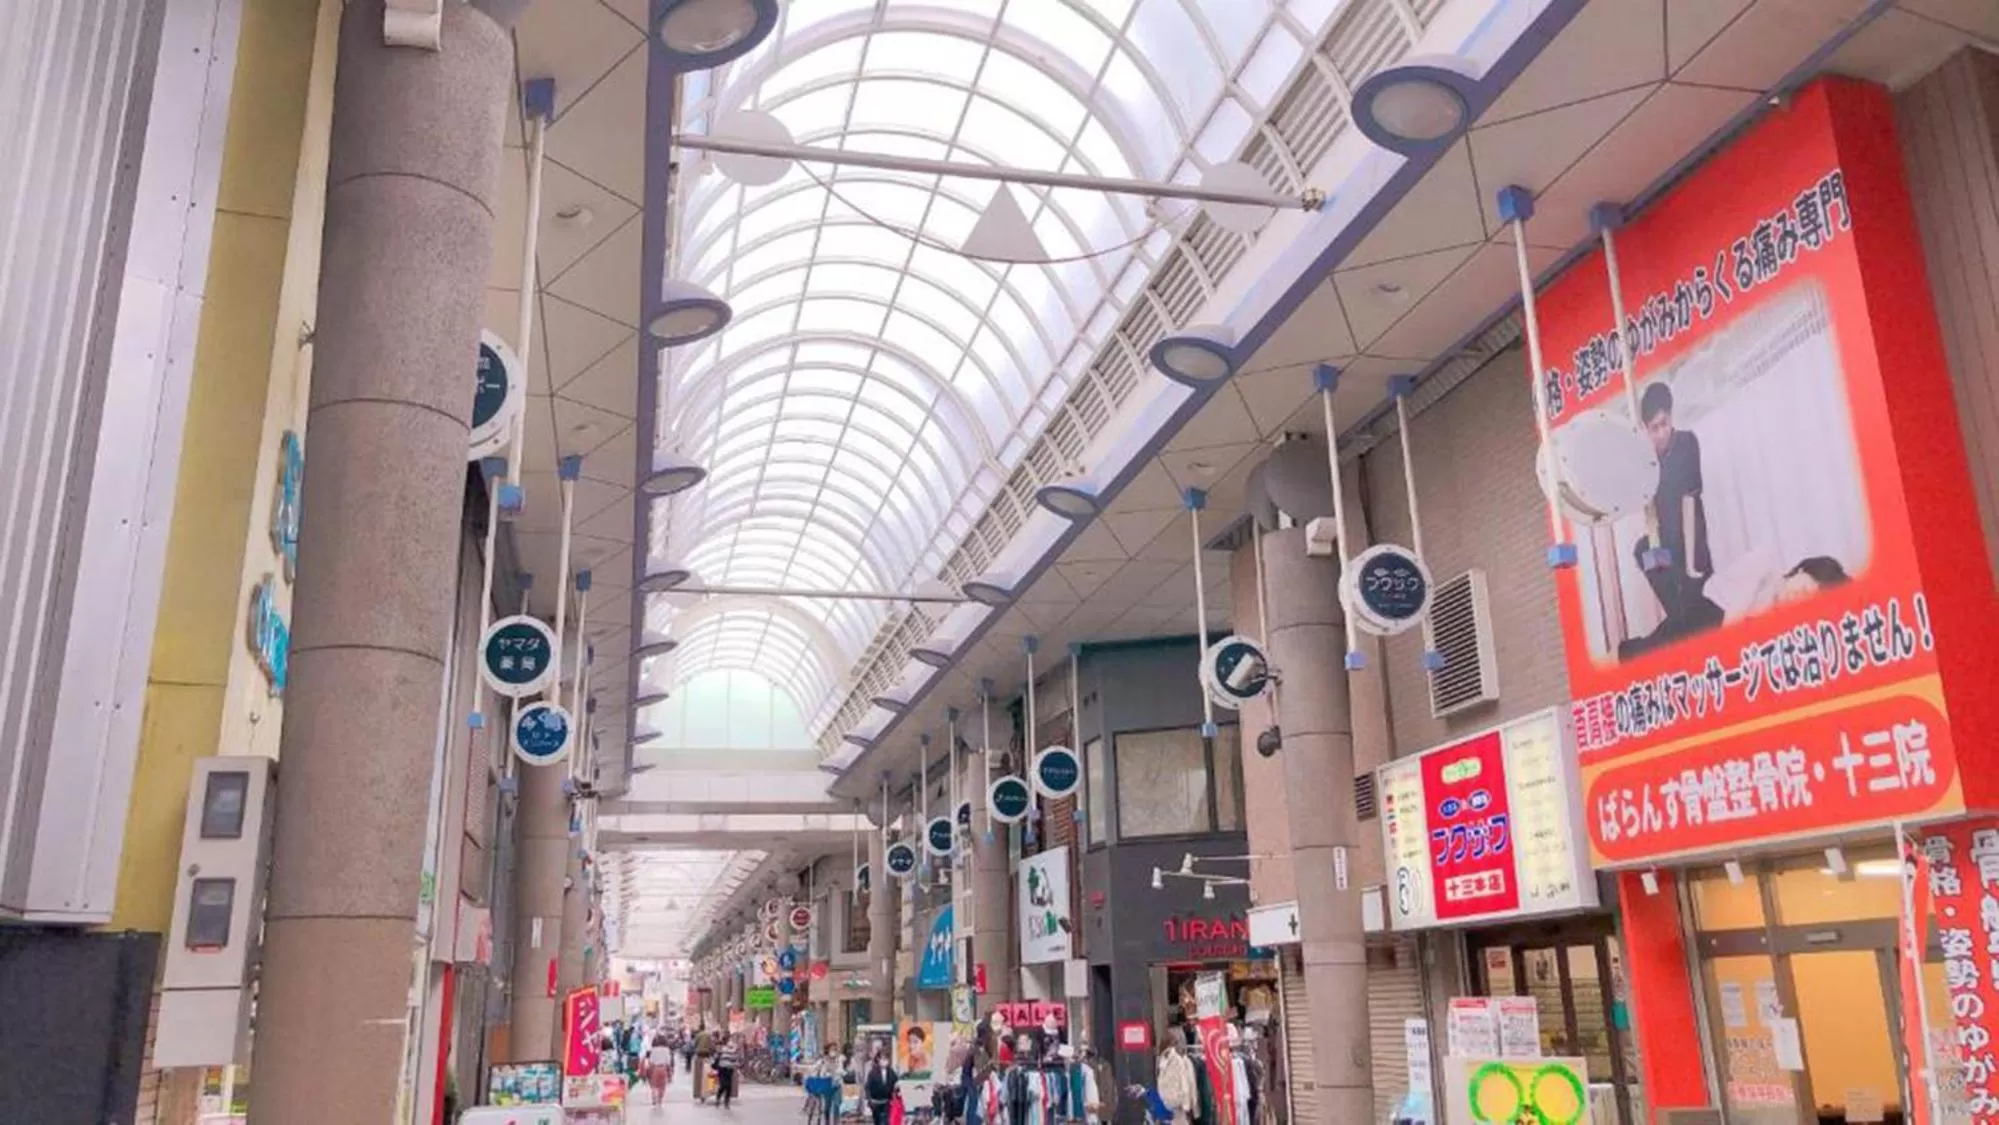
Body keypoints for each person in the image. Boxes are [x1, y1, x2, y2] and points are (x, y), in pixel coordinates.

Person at [1629, 382, 1719, 636]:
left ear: (1671, 416)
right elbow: (1649, 511)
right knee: (1642, 549)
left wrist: (1690, 563)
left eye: (1663, 424)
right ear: (1646, 429)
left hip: (1691, 537)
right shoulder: (1647, 461)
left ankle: (1686, 622)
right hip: (1665, 540)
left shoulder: (1687, 443)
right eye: (1653, 428)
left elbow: (1689, 502)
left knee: (1699, 601)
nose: (1661, 433)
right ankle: (1678, 618)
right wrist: (1657, 549)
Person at [864, 1048, 900, 1125]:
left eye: (886, 1059)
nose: (884, 1061)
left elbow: (896, 1083)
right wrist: (870, 1100)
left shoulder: (891, 1071)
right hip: (875, 1102)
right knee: (877, 1122)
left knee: (886, 1121)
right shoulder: (873, 1072)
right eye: (883, 1059)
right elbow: (867, 1087)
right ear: (878, 1059)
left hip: (887, 1102)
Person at [649, 1029, 676, 1106]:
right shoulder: (666, 1050)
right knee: (662, 1086)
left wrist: (650, 1071)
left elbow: (651, 1062)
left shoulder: (654, 1050)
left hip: (655, 1068)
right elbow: (668, 1062)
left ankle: (654, 1097)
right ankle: (660, 1099)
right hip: (663, 1069)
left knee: (654, 1085)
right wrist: (670, 1073)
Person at [715, 1033, 742, 1109]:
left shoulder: (732, 1047)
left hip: (729, 1068)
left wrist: (737, 1065)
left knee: (728, 1086)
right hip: (722, 1068)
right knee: (723, 1085)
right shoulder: (721, 1047)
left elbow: (736, 1057)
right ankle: (719, 1099)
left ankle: (726, 1102)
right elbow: (717, 1056)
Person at [693, 1024, 715, 1104]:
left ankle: (699, 1092)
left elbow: (694, 1044)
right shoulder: (708, 1035)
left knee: (699, 1074)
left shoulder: (698, 1035)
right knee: (709, 1073)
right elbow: (711, 1045)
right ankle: (709, 1090)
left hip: (699, 1054)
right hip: (706, 1054)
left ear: (699, 1028)